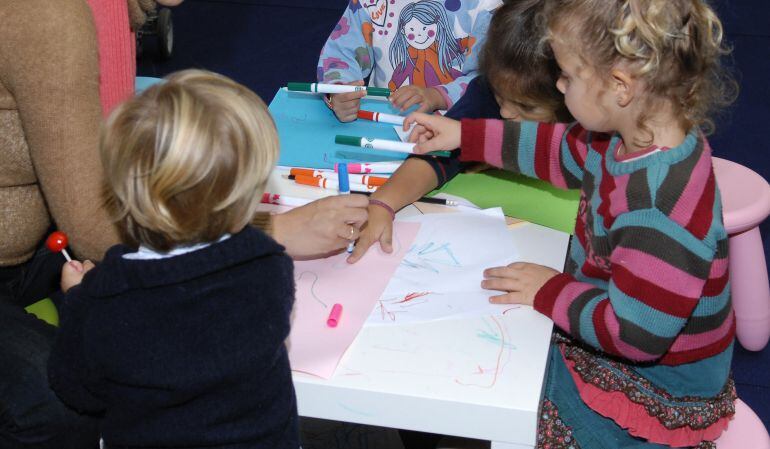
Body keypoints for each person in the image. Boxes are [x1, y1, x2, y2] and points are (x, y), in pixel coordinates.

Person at [403, 0, 737, 447]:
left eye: (568, 74)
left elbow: (634, 335)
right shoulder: (625, 133)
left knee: (518, 405)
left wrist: (548, 289)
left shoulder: (658, 210)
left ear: (620, 85)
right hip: (607, 317)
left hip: (657, 382)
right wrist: (465, 136)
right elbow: (560, 152)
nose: (558, 85)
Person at [48, 70, 305, 448]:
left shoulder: (106, 299)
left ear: (124, 194)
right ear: (243, 201)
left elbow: (76, 389)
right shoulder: (268, 264)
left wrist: (76, 303)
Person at [348, 0, 571, 264]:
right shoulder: (491, 89)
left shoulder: (591, 129)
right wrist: (383, 203)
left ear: (568, 90)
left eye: (525, 106)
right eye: (500, 97)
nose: (506, 113)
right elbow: (437, 157)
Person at [318, 0, 502, 122]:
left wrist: (437, 96)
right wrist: (339, 92)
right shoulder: (370, 4)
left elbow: (493, 76)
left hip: (456, 132)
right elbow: (340, 55)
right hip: (383, 127)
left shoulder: (485, 6)